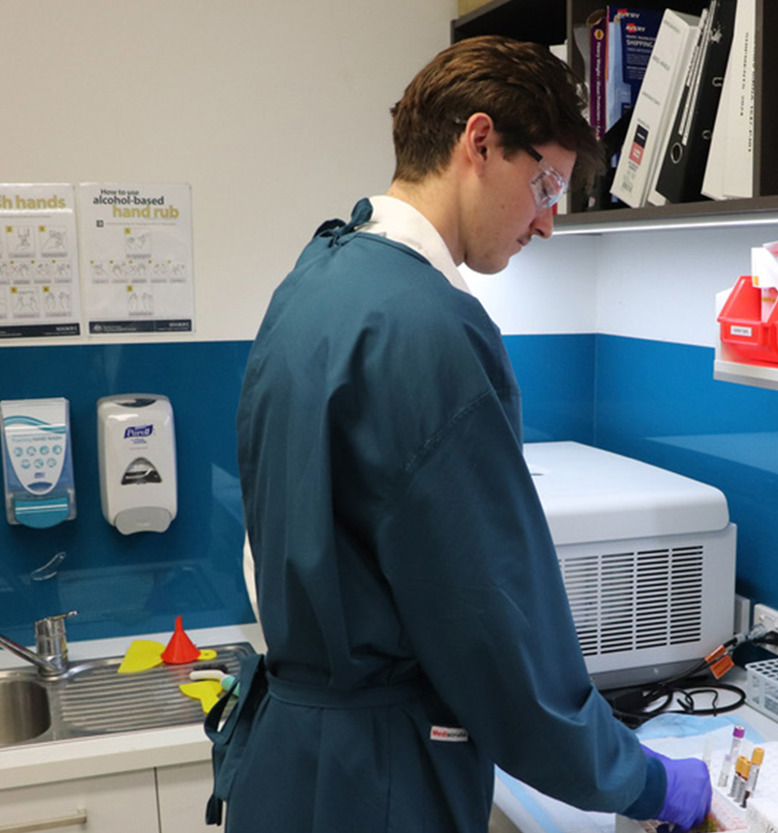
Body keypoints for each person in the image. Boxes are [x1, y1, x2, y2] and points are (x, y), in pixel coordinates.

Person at [210, 35, 713, 833]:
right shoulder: (431, 329)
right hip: (378, 780)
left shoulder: (314, 279)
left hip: (291, 760)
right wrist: (644, 781)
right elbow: (497, 637)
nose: (548, 222)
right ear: (479, 142)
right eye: (545, 183)